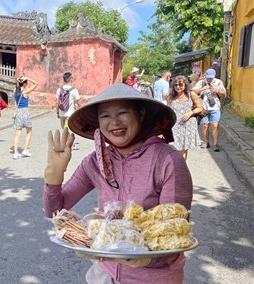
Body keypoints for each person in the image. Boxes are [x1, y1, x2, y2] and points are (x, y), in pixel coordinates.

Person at [43, 83, 192, 284]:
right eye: (105, 116)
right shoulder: (95, 161)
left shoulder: (167, 160)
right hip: (104, 273)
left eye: (122, 112)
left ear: (140, 114)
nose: (114, 122)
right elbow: (55, 211)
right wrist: (54, 172)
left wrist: (140, 256)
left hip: (152, 277)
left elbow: (174, 230)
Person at [167, 76, 203, 160]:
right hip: (174, 125)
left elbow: (200, 108)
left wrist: (191, 112)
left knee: (183, 148)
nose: (178, 87)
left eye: (180, 84)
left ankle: (181, 167)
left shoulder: (191, 94)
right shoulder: (171, 96)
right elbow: (167, 111)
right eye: (175, 85)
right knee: (174, 147)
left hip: (187, 125)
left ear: (185, 85)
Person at [192, 69, 226, 152]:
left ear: (214, 76)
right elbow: (193, 91)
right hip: (204, 108)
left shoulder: (218, 82)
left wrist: (217, 90)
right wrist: (202, 89)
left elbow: (224, 93)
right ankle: (206, 142)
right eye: (208, 77)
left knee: (215, 125)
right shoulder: (201, 82)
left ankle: (215, 144)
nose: (209, 79)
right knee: (205, 125)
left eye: (211, 78)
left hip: (215, 107)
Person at [13, 76, 39, 159]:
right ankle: (25, 149)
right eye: (26, 83)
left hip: (18, 112)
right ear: (24, 83)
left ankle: (15, 152)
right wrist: (27, 77)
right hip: (25, 111)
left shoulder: (15, 91)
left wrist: (19, 80)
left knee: (18, 134)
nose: (27, 84)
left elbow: (17, 84)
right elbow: (36, 83)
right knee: (29, 131)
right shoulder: (25, 92)